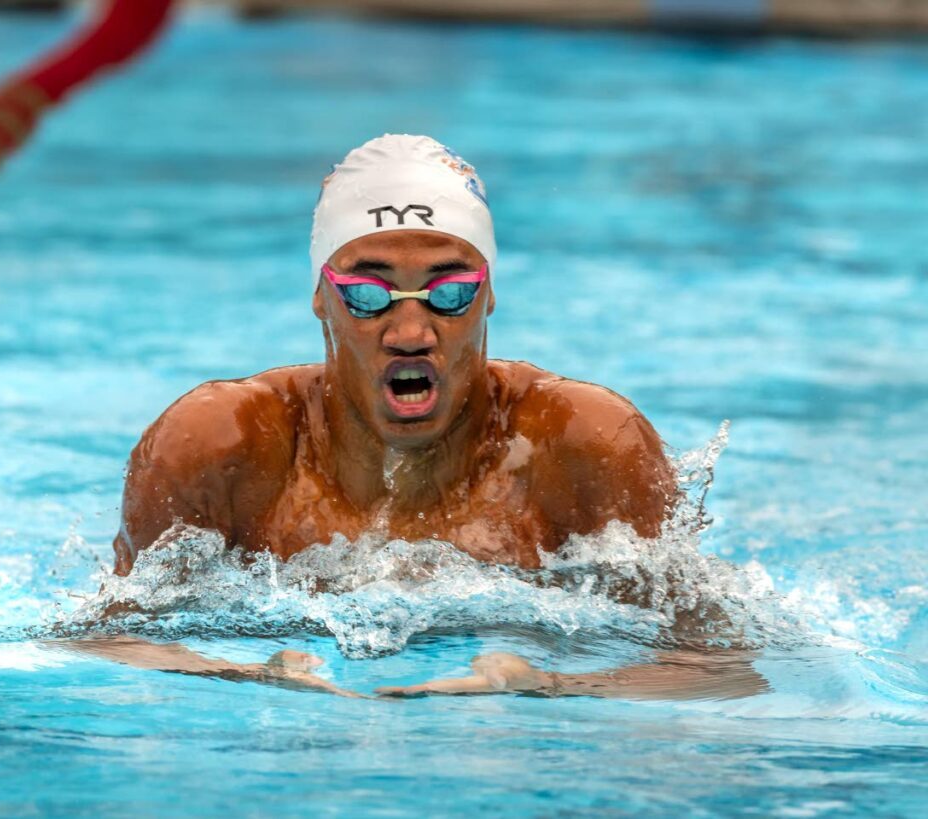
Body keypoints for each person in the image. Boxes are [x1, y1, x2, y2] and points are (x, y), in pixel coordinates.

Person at [69, 135, 765, 700]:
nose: (410, 329)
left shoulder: (581, 444)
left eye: (450, 291)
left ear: (490, 295)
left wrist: (547, 685)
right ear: (321, 296)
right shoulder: (221, 444)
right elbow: (103, 638)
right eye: (370, 293)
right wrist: (243, 676)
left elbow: (720, 665)